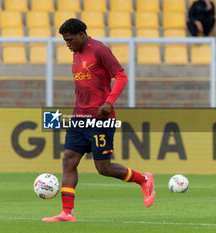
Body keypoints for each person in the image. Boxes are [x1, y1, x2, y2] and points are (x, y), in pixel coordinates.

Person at [42, 19, 155, 222]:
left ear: (81, 34)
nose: (67, 44)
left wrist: (109, 102)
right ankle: (67, 213)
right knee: (69, 159)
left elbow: (121, 76)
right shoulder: (76, 54)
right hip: (79, 117)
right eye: (64, 41)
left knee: (104, 168)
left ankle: (144, 179)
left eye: (69, 40)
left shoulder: (100, 49)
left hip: (100, 118)